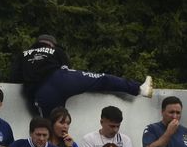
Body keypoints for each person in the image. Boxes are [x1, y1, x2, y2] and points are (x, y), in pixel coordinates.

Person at [12, 34, 151, 117]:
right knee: (102, 79)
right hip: (61, 78)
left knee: (51, 127)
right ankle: (139, 89)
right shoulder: (56, 50)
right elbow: (66, 65)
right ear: (52, 44)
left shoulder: (23, 54)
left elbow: (16, 76)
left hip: (41, 91)